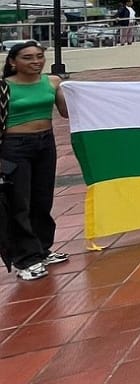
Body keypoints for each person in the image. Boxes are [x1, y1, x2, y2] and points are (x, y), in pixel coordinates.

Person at [2, 42, 69, 281]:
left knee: (42, 199)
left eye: (39, 57)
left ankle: (42, 249)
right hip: (13, 147)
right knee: (19, 202)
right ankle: (25, 259)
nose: (35, 62)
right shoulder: (4, 87)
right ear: (13, 62)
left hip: (45, 143)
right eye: (28, 58)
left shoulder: (52, 82)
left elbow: (65, 111)